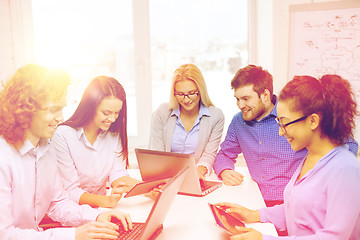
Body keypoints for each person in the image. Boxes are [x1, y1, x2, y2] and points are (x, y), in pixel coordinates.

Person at [215, 75, 360, 239]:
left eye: (284, 123)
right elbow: (296, 209)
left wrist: (265, 239)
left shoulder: (345, 169)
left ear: (313, 121)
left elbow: (334, 237)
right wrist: (253, 214)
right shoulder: (310, 157)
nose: (280, 132)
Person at [0, 64, 132, 239]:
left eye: (61, 108)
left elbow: (57, 203)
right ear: (25, 109)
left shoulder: (46, 149)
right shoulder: (4, 157)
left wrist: (97, 216)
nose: (61, 117)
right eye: (53, 109)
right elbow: (4, 234)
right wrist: (74, 235)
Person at [52, 76, 140, 208]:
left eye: (117, 113)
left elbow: (118, 174)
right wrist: (106, 201)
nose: (112, 118)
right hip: (72, 212)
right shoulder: (63, 136)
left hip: (102, 210)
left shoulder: (113, 134)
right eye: (106, 113)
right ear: (90, 107)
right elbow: (70, 190)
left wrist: (148, 190)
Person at [149, 63, 224, 179]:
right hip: (166, 176)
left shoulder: (215, 116)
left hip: (197, 176)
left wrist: (198, 173)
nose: (186, 99)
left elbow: (209, 154)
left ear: (200, 90)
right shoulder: (162, 113)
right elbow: (156, 152)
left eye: (191, 93)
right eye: (180, 94)